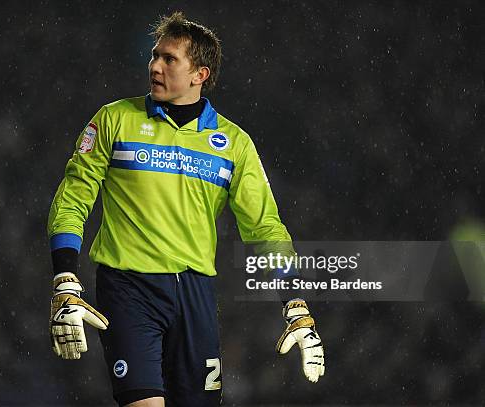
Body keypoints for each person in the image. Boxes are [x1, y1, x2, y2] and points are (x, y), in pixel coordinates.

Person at [47, 11, 325, 407]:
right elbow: (73, 198)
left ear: (200, 74)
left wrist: (296, 307)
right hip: (128, 288)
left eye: (169, 59)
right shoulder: (113, 120)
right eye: (154, 56)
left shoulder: (233, 143)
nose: (155, 66)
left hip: (195, 295)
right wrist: (65, 279)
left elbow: (264, 227)